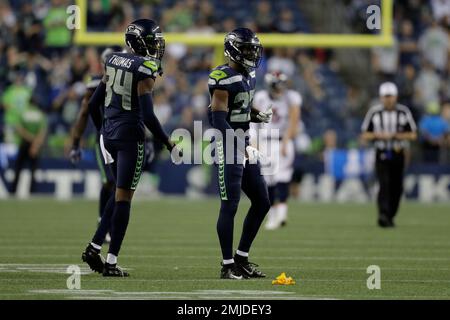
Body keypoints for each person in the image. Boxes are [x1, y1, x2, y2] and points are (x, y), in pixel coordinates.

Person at [81, 19, 178, 277]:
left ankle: (93, 247)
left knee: (116, 193)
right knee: (124, 199)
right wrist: (167, 141)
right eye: (153, 41)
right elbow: (147, 115)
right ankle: (111, 262)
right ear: (140, 42)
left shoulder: (112, 59)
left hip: (108, 135)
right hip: (130, 137)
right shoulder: (146, 68)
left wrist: (103, 130)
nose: (157, 46)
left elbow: (93, 105)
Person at [208, 28, 272, 279]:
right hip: (226, 144)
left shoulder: (248, 75)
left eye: (252, 49)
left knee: (262, 201)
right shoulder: (222, 77)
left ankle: (241, 258)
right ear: (232, 50)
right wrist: (239, 144)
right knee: (230, 204)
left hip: (242, 142)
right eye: (246, 48)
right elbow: (217, 118)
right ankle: (227, 265)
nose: (250, 53)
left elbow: (241, 106)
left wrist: (256, 114)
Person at [69, 48, 116, 243]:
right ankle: (103, 223)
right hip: (105, 137)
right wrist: (75, 143)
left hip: (125, 137)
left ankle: (109, 224)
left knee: (119, 184)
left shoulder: (132, 80)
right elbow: (84, 113)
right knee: (111, 181)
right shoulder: (97, 82)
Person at [361, 82, 417, 228]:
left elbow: (413, 134)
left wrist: (396, 136)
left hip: (398, 152)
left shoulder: (403, 112)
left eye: (390, 96)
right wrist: (379, 135)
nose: (388, 99)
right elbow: (365, 134)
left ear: (396, 96)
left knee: (397, 186)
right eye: (386, 96)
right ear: (381, 97)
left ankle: (390, 215)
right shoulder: (374, 113)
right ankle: (383, 214)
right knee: (384, 183)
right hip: (381, 152)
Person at [252, 71, 301, 230]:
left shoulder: (291, 98)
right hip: (265, 141)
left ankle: (282, 213)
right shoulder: (261, 97)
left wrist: (286, 141)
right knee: (268, 181)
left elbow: (294, 121)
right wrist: (254, 140)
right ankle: (272, 215)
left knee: (283, 177)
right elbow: (254, 122)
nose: (280, 89)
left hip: (282, 140)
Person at [11, 101, 47, 194]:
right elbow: (42, 131)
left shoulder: (23, 112)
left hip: (24, 143)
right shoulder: (40, 115)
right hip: (35, 144)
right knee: (33, 169)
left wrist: (30, 138)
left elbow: (19, 129)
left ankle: (13, 191)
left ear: (29, 103)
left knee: (18, 168)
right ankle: (32, 192)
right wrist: (35, 144)